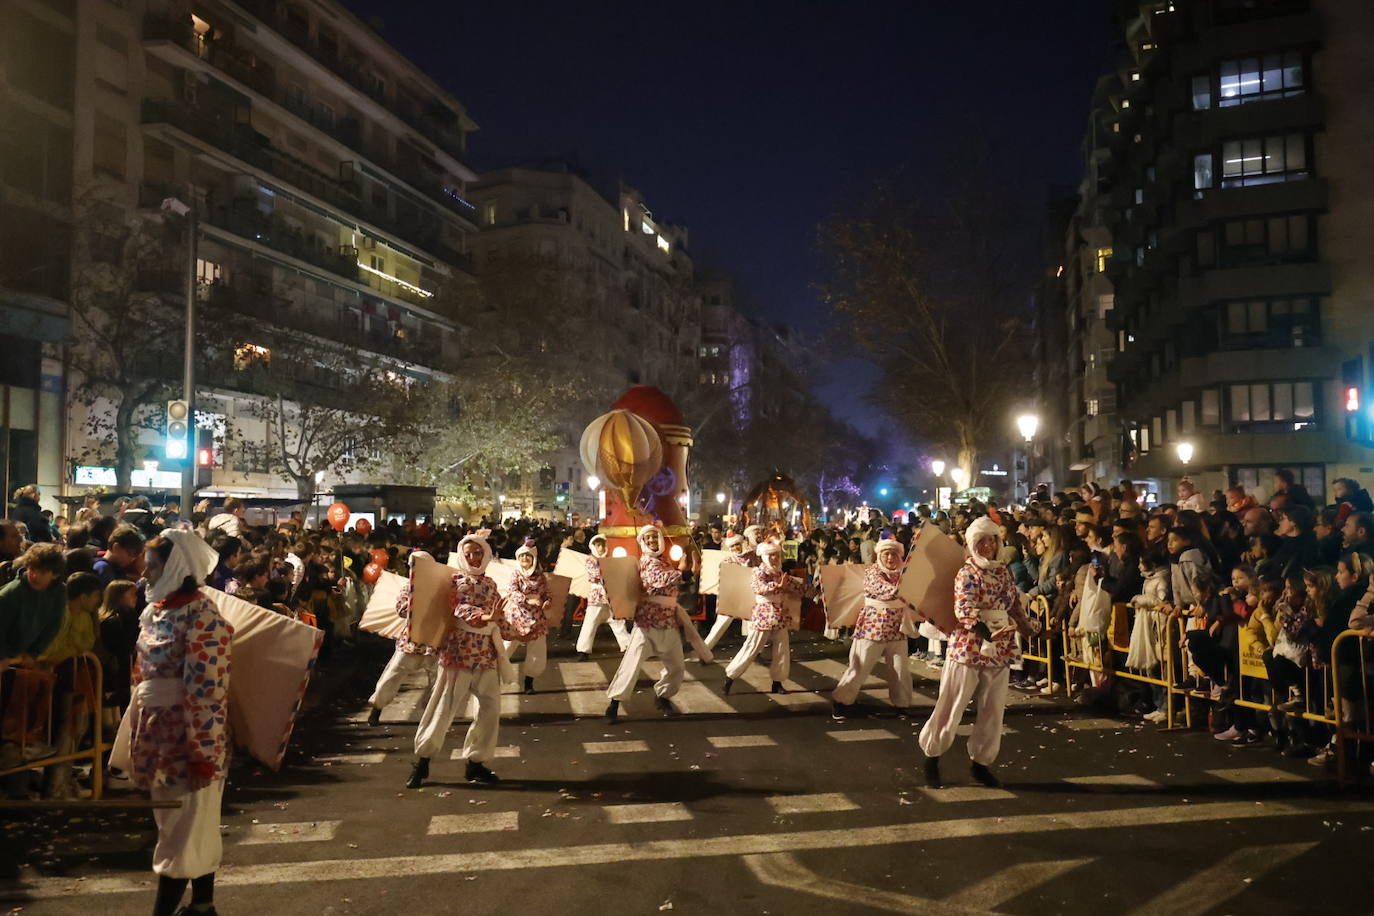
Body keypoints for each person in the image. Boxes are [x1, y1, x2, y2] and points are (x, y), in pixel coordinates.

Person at [124, 530, 232, 916]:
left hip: (188, 739)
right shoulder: (155, 610)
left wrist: (202, 748)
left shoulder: (204, 616)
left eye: (152, 567)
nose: (144, 575)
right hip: (156, 734)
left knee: (184, 827)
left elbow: (207, 687)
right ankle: (203, 905)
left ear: (175, 568)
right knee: (183, 824)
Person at [919, 517, 1040, 789]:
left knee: (993, 708)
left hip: (1000, 647)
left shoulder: (1004, 572)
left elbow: (1014, 606)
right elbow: (964, 609)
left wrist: (1029, 627)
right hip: (969, 645)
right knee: (952, 703)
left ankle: (981, 763)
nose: (987, 545)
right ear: (973, 544)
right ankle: (932, 757)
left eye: (992, 540)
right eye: (982, 540)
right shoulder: (967, 572)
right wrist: (985, 631)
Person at [408, 533, 503, 788]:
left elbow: (499, 617)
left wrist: (513, 627)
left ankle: (476, 763)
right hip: (458, 654)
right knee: (443, 710)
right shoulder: (457, 581)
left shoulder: (492, 584)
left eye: (478, 552)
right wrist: (485, 618)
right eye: (469, 553)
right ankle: (423, 761)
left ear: (486, 553)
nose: (473, 558)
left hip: (486, 655)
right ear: (462, 555)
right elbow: (460, 608)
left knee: (490, 710)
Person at [604, 525, 690, 724]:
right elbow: (657, 579)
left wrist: (684, 574)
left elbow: (672, 583)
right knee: (631, 664)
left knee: (676, 666)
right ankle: (614, 703)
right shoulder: (645, 562)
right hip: (647, 623)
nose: (652, 541)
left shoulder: (665, 561)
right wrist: (682, 574)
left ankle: (663, 696)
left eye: (655, 537)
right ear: (642, 542)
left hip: (668, 622)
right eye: (648, 538)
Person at [831, 536, 914, 721]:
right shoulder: (872, 572)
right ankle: (841, 701)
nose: (890, 558)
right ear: (879, 555)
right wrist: (906, 589)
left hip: (897, 628)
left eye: (894, 554)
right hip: (872, 626)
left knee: (900, 668)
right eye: (886, 554)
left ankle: (902, 704)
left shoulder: (904, 573)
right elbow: (883, 589)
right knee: (860, 666)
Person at [722, 540, 805, 696]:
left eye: (777, 555)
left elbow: (796, 586)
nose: (775, 558)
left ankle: (778, 682)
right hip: (763, 613)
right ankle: (730, 677)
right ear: (765, 556)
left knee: (782, 649)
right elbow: (757, 588)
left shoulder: (780, 572)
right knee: (752, 646)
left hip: (779, 614)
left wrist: (815, 592)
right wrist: (777, 587)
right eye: (772, 555)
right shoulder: (758, 571)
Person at [365, 552, 439, 728]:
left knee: (437, 681)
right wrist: (413, 604)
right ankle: (377, 707)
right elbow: (400, 609)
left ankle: (430, 714)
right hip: (411, 641)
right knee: (392, 675)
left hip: (435, 642)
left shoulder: (441, 586)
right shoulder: (409, 586)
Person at [500, 539, 551, 695]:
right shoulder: (515, 574)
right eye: (521, 557)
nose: (524, 560)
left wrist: (547, 601)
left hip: (537, 618)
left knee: (537, 651)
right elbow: (512, 592)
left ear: (533, 559)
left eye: (527, 557)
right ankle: (495, 678)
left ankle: (529, 682)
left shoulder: (540, 576)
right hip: (517, 617)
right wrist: (527, 600)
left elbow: (546, 592)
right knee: (505, 648)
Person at [0, 543, 67, 659]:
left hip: (25, 658)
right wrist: (5, 656)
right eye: (32, 568)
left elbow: (53, 626)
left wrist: (33, 653)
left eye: (43, 572)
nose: (34, 575)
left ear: (55, 575)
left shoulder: (59, 592)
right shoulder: (10, 595)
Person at [574, 535, 629, 660]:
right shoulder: (590, 560)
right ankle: (583, 651)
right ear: (593, 546)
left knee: (618, 622)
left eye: (603, 545)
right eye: (598, 545)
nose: (601, 548)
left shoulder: (608, 560)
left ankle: (627, 646)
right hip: (597, 598)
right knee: (590, 623)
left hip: (610, 597)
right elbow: (596, 575)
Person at [700, 531, 752, 655]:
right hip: (731, 597)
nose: (735, 548)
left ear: (741, 543)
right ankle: (704, 651)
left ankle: (752, 653)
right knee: (719, 625)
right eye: (732, 546)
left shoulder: (751, 556)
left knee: (750, 627)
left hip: (747, 596)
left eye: (737, 545)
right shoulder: (727, 560)